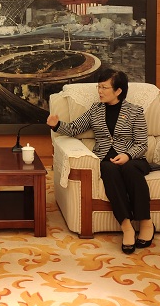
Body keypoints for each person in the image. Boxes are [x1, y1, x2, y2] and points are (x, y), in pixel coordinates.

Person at [46, 68, 154, 254]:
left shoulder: (135, 111)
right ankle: (126, 226)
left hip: (133, 159)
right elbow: (74, 128)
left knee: (129, 169)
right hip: (105, 159)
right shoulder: (95, 110)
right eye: (99, 87)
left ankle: (146, 222)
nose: (100, 91)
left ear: (118, 90)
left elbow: (142, 144)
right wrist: (56, 125)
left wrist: (127, 155)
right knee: (108, 169)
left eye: (104, 87)